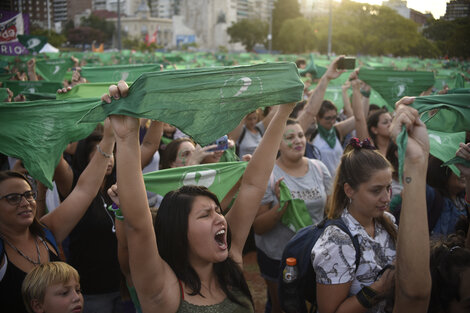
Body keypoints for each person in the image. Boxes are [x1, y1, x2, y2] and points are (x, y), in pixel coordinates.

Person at [103, 80, 295, 312]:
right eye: (205, 215)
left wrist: (284, 111)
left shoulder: (229, 264)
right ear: (179, 230)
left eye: (217, 210)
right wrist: (126, 138)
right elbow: (138, 225)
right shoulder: (162, 288)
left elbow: (253, 185)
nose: (220, 218)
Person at [0, 119, 115, 313]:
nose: (25, 202)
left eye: (29, 194)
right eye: (13, 198)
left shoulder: (46, 233)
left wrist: (110, 135)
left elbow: (85, 190)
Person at [253, 118, 332, 313]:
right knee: (283, 306)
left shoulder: (319, 168)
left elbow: (330, 211)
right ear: (277, 144)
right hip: (278, 258)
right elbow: (259, 227)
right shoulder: (268, 174)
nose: (298, 140)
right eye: (290, 137)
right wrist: (282, 206)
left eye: (300, 135)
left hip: (313, 255)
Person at [297, 58, 364, 177]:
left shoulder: (337, 131)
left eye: (334, 117)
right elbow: (309, 112)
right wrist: (326, 78)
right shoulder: (310, 134)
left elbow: (359, 118)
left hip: (337, 186)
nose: (332, 121)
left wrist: (360, 91)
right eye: (328, 118)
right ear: (317, 117)